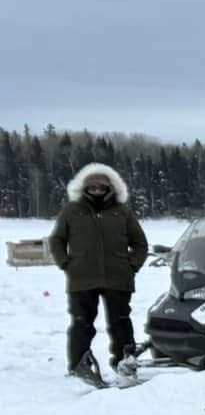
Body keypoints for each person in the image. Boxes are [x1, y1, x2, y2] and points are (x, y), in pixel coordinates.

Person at [47, 162, 150, 384]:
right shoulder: (72, 211)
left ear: (110, 188)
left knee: (121, 322)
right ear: (84, 188)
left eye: (101, 187)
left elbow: (140, 243)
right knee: (81, 322)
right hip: (82, 279)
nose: (97, 190)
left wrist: (131, 266)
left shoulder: (122, 212)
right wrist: (67, 264)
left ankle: (125, 361)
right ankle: (78, 364)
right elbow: (56, 240)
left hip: (118, 278)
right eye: (92, 187)